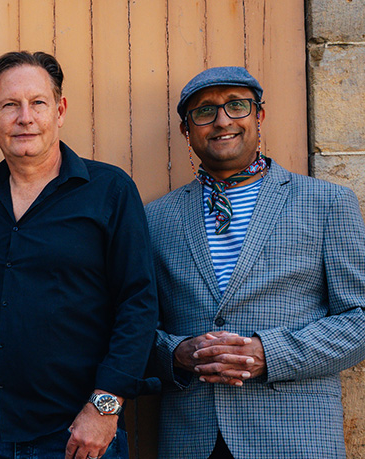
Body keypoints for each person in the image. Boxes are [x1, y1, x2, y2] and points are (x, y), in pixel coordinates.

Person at [0, 51, 157, 459]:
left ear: (59, 110)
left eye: (37, 103)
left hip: (80, 434)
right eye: (10, 105)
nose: (25, 117)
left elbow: (139, 305)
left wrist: (105, 407)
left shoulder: (109, 191)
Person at [147, 66, 365, 459]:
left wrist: (270, 353)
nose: (222, 121)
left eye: (237, 106)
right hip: (191, 437)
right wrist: (177, 353)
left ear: (259, 115)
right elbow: (135, 325)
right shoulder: (155, 218)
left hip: (296, 438)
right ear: (186, 130)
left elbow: (359, 320)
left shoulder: (328, 203)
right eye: (204, 111)